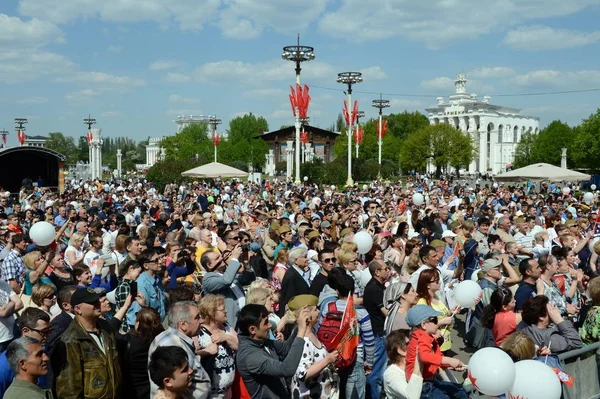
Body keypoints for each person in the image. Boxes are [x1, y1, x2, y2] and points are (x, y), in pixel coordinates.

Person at [53, 288, 122, 398]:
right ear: (78, 309)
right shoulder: (71, 340)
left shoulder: (106, 328)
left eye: (97, 301)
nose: (98, 303)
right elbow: (69, 389)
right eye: (92, 302)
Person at [237, 303, 311, 398]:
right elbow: (287, 369)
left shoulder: (261, 341)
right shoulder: (250, 356)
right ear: (252, 329)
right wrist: (301, 332)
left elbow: (286, 348)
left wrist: (298, 325)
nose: (270, 325)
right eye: (266, 322)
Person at [148, 301, 211, 399]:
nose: (201, 321)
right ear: (183, 325)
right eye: (197, 318)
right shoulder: (171, 344)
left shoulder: (175, 340)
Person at [404, 305, 467, 399]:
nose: (438, 324)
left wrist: (451, 365)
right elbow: (424, 356)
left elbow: (437, 355)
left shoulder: (428, 337)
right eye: (435, 320)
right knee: (457, 392)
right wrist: (449, 360)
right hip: (423, 386)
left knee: (460, 391)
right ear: (424, 324)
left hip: (431, 381)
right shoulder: (421, 336)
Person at [0, 308, 51, 397]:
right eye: (43, 332)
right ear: (26, 331)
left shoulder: (43, 352)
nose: (47, 336)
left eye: (49, 331)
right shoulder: (4, 364)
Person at [196, 294, 238, 399]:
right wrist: (206, 351)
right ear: (211, 313)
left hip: (228, 391)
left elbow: (241, 347)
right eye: (222, 309)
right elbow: (191, 355)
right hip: (210, 394)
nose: (226, 311)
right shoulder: (199, 332)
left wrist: (226, 338)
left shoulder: (226, 327)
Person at [122, 307, 164, 399]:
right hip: (155, 390)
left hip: (133, 391)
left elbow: (111, 327)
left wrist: (126, 305)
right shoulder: (162, 340)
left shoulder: (128, 341)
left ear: (138, 324)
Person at [517, 295, 583, 354]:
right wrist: (559, 320)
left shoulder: (523, 325)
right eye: (550, 309)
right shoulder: (549, 338)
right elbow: (576, 343)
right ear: (541, 317)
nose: (555, 309)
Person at [363, 259, 390, 399]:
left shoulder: (379, 286)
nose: (388, 270)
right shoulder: (373, 288)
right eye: (386, 268)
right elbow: (386, 312)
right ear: (377, 272)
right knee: (376, 373)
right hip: (377, 335)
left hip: (379, 333)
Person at [200, 246, 244, 327]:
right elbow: (226, 281)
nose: (221, 258)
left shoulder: (227, 274)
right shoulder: (208, 278)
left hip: (244, 319)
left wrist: (244, 260)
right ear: (209, 265)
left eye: (220, 256)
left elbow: (249, 277)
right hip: (231, 323)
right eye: (217, 258)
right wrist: (234, 258)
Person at [383, 329, 423, 399]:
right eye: (412, 343)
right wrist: (419, 360)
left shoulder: (416, 366)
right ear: (402, 351)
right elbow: (412, 397)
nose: (416, 345)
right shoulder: (391, 374)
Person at [279, 246, 311, 317]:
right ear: (296, 260)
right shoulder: (291, 276)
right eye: (305, 257)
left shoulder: (299, 273)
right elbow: (289, 300)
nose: (307, 259)